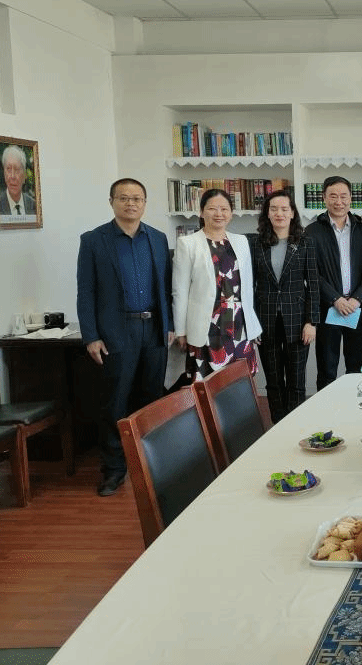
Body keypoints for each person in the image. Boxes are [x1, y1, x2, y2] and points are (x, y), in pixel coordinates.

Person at [76, 178, 172, 497]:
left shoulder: (157, 238)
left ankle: (150, 464)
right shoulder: (94, 240)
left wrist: (169, 326)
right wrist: (91, 336)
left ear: (145, 203)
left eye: (137, 198)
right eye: (124, 198)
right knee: (115, 402)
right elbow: (86, 292)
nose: (131, 203)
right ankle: (114, 469)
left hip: (154, 328)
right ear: (112, 201)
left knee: (151, 399)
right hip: (116, 332)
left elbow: (165, 288)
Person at [172, 188, 262, 378]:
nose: (219, 214)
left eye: (224, 209)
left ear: (231, 213)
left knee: (240, 381)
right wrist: (181, 330)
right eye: (212, 208)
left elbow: (247, 288)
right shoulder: (187, 243)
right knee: (206, 382)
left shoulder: (241, 241)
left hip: (238, 322)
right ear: (201, 212)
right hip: (205, 324)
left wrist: (253, 324)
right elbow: (180, 290)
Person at [248, 190, 319, 424]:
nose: (279, 213)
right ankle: (278, 424)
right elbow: (250, 285)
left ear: (292, 213)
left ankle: (295, 425)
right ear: (267, 214)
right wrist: (252, 324)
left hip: (297, 320)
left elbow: (313, 285)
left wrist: (311, 321)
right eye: (274, 209)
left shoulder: (305, 242)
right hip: (265, 319)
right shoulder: (255, 243)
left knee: (297, 380)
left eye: (284, 209)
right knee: (274, 380)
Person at [304, 176, 362, 390]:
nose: (339, 201)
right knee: (327, 369)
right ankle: (327, 410)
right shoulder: (312, 232)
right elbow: (311, 272)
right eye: (333, 196)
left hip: (356, 309)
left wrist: (357, 298)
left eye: (344, 196)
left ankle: (354, 407)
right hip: (328, 309)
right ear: (324, 198)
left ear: (351, 198)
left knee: (357, 368)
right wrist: (335, 299)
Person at [0, 145, 36, 216]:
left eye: (17, 169)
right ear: (4, 173)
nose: (12, 176)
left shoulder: (34, 206)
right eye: (8, 169)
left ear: (24, 175)